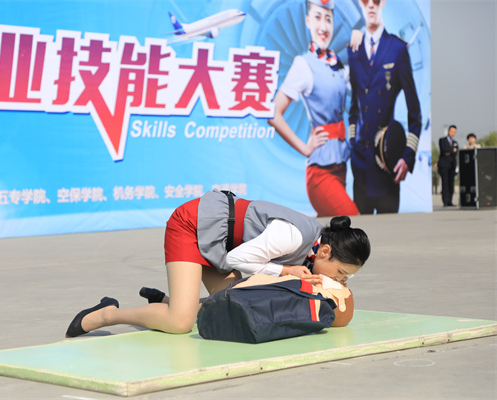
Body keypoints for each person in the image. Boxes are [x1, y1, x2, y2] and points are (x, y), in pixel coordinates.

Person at [65, 189, 371, 337]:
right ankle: (107, 314)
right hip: (194, 227)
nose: (341, 281)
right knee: (180, 322)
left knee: (236, 304)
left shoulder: (313, 248)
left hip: (221, 242)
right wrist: (286, 271)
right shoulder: (294, 236)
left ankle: (167, 302)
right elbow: (237, 259)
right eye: (342, 273)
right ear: (325, 252)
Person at [268, 0, 359, 218]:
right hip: (320, 173)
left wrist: (360, 39)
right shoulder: (303, 64)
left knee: (335, 232)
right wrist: (305, 148)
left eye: (328, 19)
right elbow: (273, 113)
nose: (324, 27)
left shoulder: (337, 64)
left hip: (341, 166)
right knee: (353, 221)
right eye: (318, 18)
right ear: (308, 21)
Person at [347, 0, 422, 214]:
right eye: (365, 1)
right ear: (361, 5)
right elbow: (354, 107)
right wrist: (352, 143)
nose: (371, 5)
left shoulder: (397, 49)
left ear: (383, 4)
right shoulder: (354, 50)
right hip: (361, 163)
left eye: (376, 1)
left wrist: (408, 156)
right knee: (359, 233)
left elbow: (415, 112)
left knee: (389, 231)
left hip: (387, 161)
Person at [438, 125, 458, 206]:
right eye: (452, 131)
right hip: (444, 165)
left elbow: (456, 152)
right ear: (448, 131)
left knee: (451, 183)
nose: (453, 133)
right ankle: (445, 201)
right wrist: (452, 150)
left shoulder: (455, 142)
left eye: (454, 132)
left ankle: (450, 201)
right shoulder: (442, 140)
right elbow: (444, 150)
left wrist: (450, 151)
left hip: (452, 165)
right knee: (445, 183)